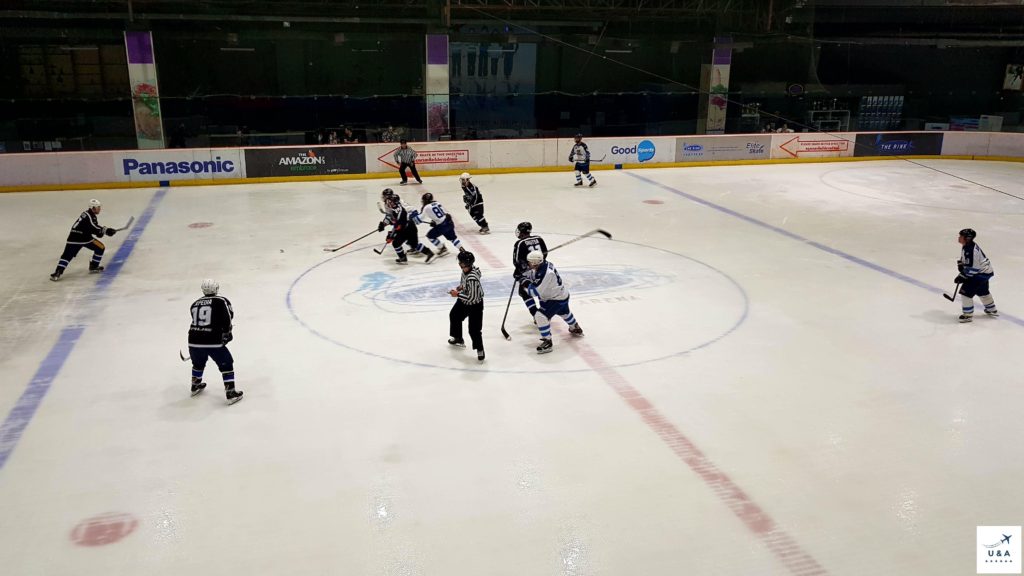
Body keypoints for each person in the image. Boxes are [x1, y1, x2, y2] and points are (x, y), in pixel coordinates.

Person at [187, 279, 243, 404]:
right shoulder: (221, 300)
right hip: (212, 340)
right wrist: (227, 333)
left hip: (193, 340)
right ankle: (230, 392)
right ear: (216, 289)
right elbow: (228, 318)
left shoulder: (194, 303)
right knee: (226, 363)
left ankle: (195, 385)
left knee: (198, 363)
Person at [521, 251, 583, 354]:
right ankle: (575, 327)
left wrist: (524, 282)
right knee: (564, 312)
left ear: (535, 262)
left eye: (530, 262)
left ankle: (547, 342)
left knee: (540, 316)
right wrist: (524, 273)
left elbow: (534, 292)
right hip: (562, 294)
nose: (528, 264)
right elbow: (534, 274)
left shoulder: (545, 273)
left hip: (555, 299)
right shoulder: (545, 264)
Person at [50, 198, 116, 281]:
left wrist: (103, 231)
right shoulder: (89, 216)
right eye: (98, 207)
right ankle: (94, 266)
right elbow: (93, 227)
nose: (99, 209)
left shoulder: (87, 214)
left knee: (66, 256)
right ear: (93, 208)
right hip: (84, 238)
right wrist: (106, 230)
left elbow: (93, 228)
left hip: (73, 237)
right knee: (100, 247)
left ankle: (58, 272)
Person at [448, 251, 485, 362]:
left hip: (475, 305)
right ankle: (458, 337)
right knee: (454, 315)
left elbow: (471, 298)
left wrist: (457, 294)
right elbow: (466, 283)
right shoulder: (468, 270)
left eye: (461, 262)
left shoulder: (472, 278)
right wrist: (461, 287)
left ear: (464, 263)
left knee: (474, 330)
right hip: (464, 301)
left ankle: (480, 349)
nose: (459, 264)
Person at [955, 228, 998, 323]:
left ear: (967, 238)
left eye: (961, 236)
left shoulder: (971, 250)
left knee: (965, 293)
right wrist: (962, 265)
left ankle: (968, 315)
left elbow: (974, 268)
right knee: (982, 291)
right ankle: (991, 309)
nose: (959, 237)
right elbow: (969, 262)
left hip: (980, 273)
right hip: (986, 272)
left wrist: (962, 276)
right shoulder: (967, 246)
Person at [378, 193, 435, 264]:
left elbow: (397, 226)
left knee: (414, 245)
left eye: (391, 202)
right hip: (404, 228)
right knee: (396, 243)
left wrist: (391, 235)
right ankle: (403, 258)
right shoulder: (395, 208)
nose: (389, 203)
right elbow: (393, 221)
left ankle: (429, 253)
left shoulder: (400, 212)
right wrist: (383, 224)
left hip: (409, 229)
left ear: (395, 202)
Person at [512, 222, 548, 318]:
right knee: (541, 291)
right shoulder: (539, 238)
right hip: (543, 270)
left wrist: (518, 272)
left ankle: (536, 315)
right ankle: (544, 313)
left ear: (521, 232)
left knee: (524, 292)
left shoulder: (520, 243)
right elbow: (544, 254)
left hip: (528, 272)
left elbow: (517, 261)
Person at [414, 192, 464, 257]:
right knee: (453, 238)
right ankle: (462, 249)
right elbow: (444, 214)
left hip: (442, 226)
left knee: (430, 236)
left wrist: (412, 218)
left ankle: (442, 248)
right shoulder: (437, 203)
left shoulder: (426, 207)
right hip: (449, 222)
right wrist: (435, 222)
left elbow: (418, 220)